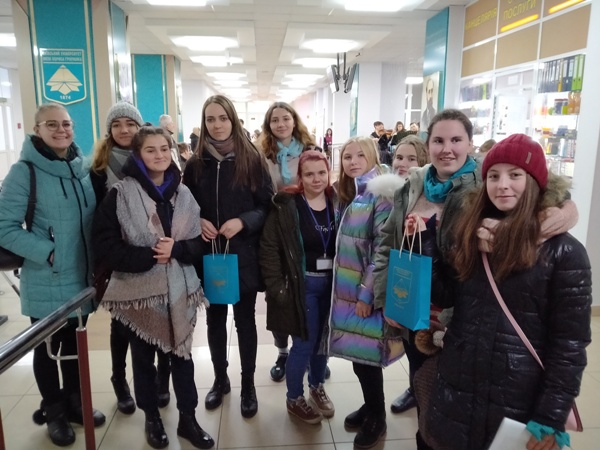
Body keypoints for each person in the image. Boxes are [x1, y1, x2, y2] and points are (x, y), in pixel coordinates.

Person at [373, 111, 579, 428]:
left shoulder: (486, 183)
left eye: (456, 140)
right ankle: (418, 400)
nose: (447, 149)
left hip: (461, 317)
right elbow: (388, 242)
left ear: (470, 144)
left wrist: (562, 215)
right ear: (428, 145)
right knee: (424, 383)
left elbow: (551, 198)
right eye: (439, 140)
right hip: (414, 305)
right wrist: (386, 295)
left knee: (457, 401)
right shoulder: (413, 185)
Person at [414, 133, 591, 450]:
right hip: (459, 386)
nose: (502, 185)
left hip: (519, 397)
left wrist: (550, 416)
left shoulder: (564, 253)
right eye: (494, 176)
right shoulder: (472, 234)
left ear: (534, 182)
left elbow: (569, 346)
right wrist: (426, 242)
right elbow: (448, 297)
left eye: (515, 175)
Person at [93, 126, 214, 450]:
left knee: (182, 356)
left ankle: (188, 418)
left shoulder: (183, 194)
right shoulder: (120, 193)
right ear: (137, 155)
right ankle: (152, 418)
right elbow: (104, 244)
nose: (159, 155)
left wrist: (177, 249)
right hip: (138, 292)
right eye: (150, 150)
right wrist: (147, 256)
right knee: (143, 359)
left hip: (179, 289)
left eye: (163, 149)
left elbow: (197, 244)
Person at [0, 103, 105, 447]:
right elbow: (4, 227)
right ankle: (54, 412)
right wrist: (48, 251)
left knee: (74, 346)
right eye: (52, 125)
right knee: (47, 350)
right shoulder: (24, 172)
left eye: (66, 124)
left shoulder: (81, 169)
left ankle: (75, 403)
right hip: (46, 277)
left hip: (80, 278)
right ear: (37, 130)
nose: (61, 130)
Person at [183, 95, 273, 418]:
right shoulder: (195, 164)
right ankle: (220, 379)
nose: (217, 125)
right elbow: (184, 206)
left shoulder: (252, 159)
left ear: (233, 120)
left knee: (245, 321)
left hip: (242, 255)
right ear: (203, 123)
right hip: (209, 257)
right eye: (210, 119)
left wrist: (243, 222)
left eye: (223, 118)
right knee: (215, 320)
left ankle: (247, 383)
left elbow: (267, 206)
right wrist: (198, 221)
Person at [91, 101, 171, 415]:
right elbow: (97, 219)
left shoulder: (153, 160)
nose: (124, 130)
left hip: (155, 255)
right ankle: (119, 380)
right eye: (117, 124)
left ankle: (162, 380)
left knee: (162, 319)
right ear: (109, 130)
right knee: (122, 325)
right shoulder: (99, 169)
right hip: (119, 257)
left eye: (130, 124)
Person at [329, 136, 405, 449]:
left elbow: (382, 249)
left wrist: (366, 293)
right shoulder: (352, 192)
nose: (353, 161)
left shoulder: (380, 193)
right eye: (347, 156)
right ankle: (370, 406)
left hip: (364, 293)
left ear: (373, 156)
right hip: (348, 290)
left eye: (360, 155)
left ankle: (377, 416)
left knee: (369, 357)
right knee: (360, 355)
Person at [260, 150, 337, 425]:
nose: (316, 179)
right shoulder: (287, 206)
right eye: (309, 174)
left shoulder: (337, 202)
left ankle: (316, 386)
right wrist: (277, 288)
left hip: (333, 285)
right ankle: (294, 398)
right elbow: (269, 248)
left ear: (329, 174)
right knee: (304, 343)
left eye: (321, 173)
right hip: (303, 284)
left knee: (323, 342)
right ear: (300, 177)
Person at [257, 101, 318, 383]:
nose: (280, 124)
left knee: (305, 292)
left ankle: (305, 352)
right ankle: (283, 352)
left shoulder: (309, 150)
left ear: (294, 121)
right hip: (275, 228)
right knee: (278, 295)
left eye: (285, 118)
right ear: (268, 125)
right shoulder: (263, 155)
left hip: (305, 226)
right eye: (275, 120)